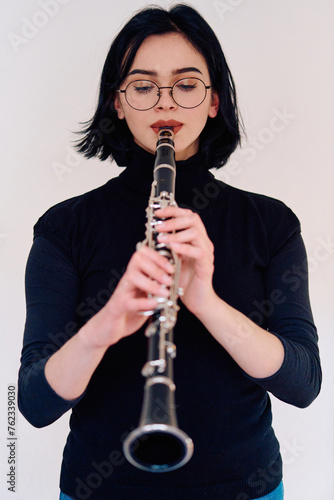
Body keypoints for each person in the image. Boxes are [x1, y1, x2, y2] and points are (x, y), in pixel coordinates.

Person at [18, 4, 321, 500]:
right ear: (117, 103)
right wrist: (108, 321)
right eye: (142, 86)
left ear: (214, 101)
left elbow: (303, 383)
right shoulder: (64, 228)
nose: (166, 104)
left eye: (186, 84)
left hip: (247, 487)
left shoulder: (271, 224)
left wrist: (203, 299)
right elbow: (33, 403)